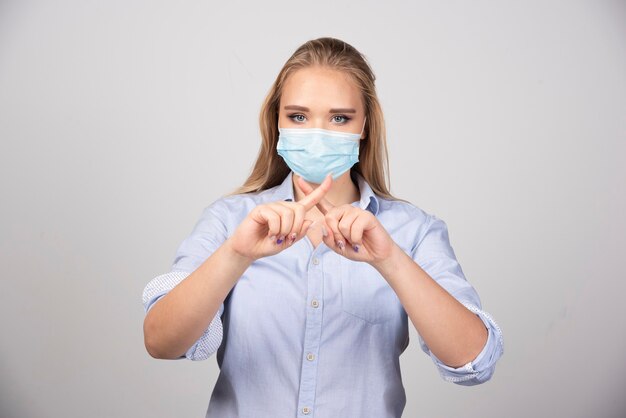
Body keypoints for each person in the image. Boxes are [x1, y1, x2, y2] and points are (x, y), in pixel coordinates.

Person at [142, 37, 504, 418]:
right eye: (298, 117)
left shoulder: (413, 230)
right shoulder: (231, 221)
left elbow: (475, 361)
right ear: (277, 122)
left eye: (339, 118)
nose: (317, 133)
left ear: (365, 125)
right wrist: (236, 254)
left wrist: (391, 262)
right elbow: (161, 341)